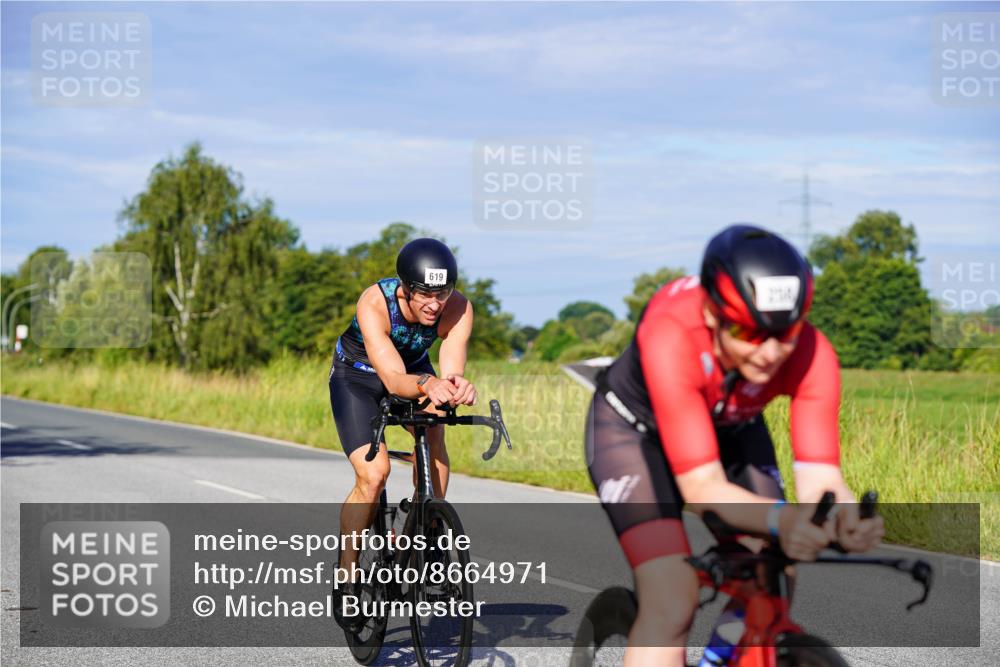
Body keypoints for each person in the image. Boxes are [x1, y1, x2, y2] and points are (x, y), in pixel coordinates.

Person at [585, 224, 884, 666]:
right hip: (631, 434)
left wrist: (844, 517)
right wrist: (784, 519)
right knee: (672, 597)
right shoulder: (672, 333)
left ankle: (727, 652)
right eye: (747, 334)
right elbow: (703, 488)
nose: (769, 353)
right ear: (712, 315)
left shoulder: (812, 352)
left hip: (730, 428)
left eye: (785, 334)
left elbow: (821, 477)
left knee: (776, 572)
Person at [328, 237, 477, 622]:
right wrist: (429, 385)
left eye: (441, 293)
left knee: (436, 428)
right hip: (358, 377)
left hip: (414, 370)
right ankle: (347, 578)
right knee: (374, 473)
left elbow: (451, 358)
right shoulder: (375, 302)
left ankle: (426, 528)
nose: (434, 304)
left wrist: (455, 384)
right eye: (425, 294)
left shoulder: (457, 307)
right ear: (405, 290)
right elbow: (394, 380)